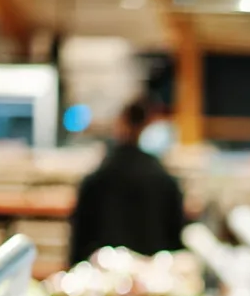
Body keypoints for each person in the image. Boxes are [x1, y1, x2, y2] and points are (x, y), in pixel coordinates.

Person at [67, 100, 186, 266]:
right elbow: (176, 240)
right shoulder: (164, 179)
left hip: (101, 278)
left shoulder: (97, 178)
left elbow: (79, 240)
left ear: (119, 125)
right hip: (153, 279)